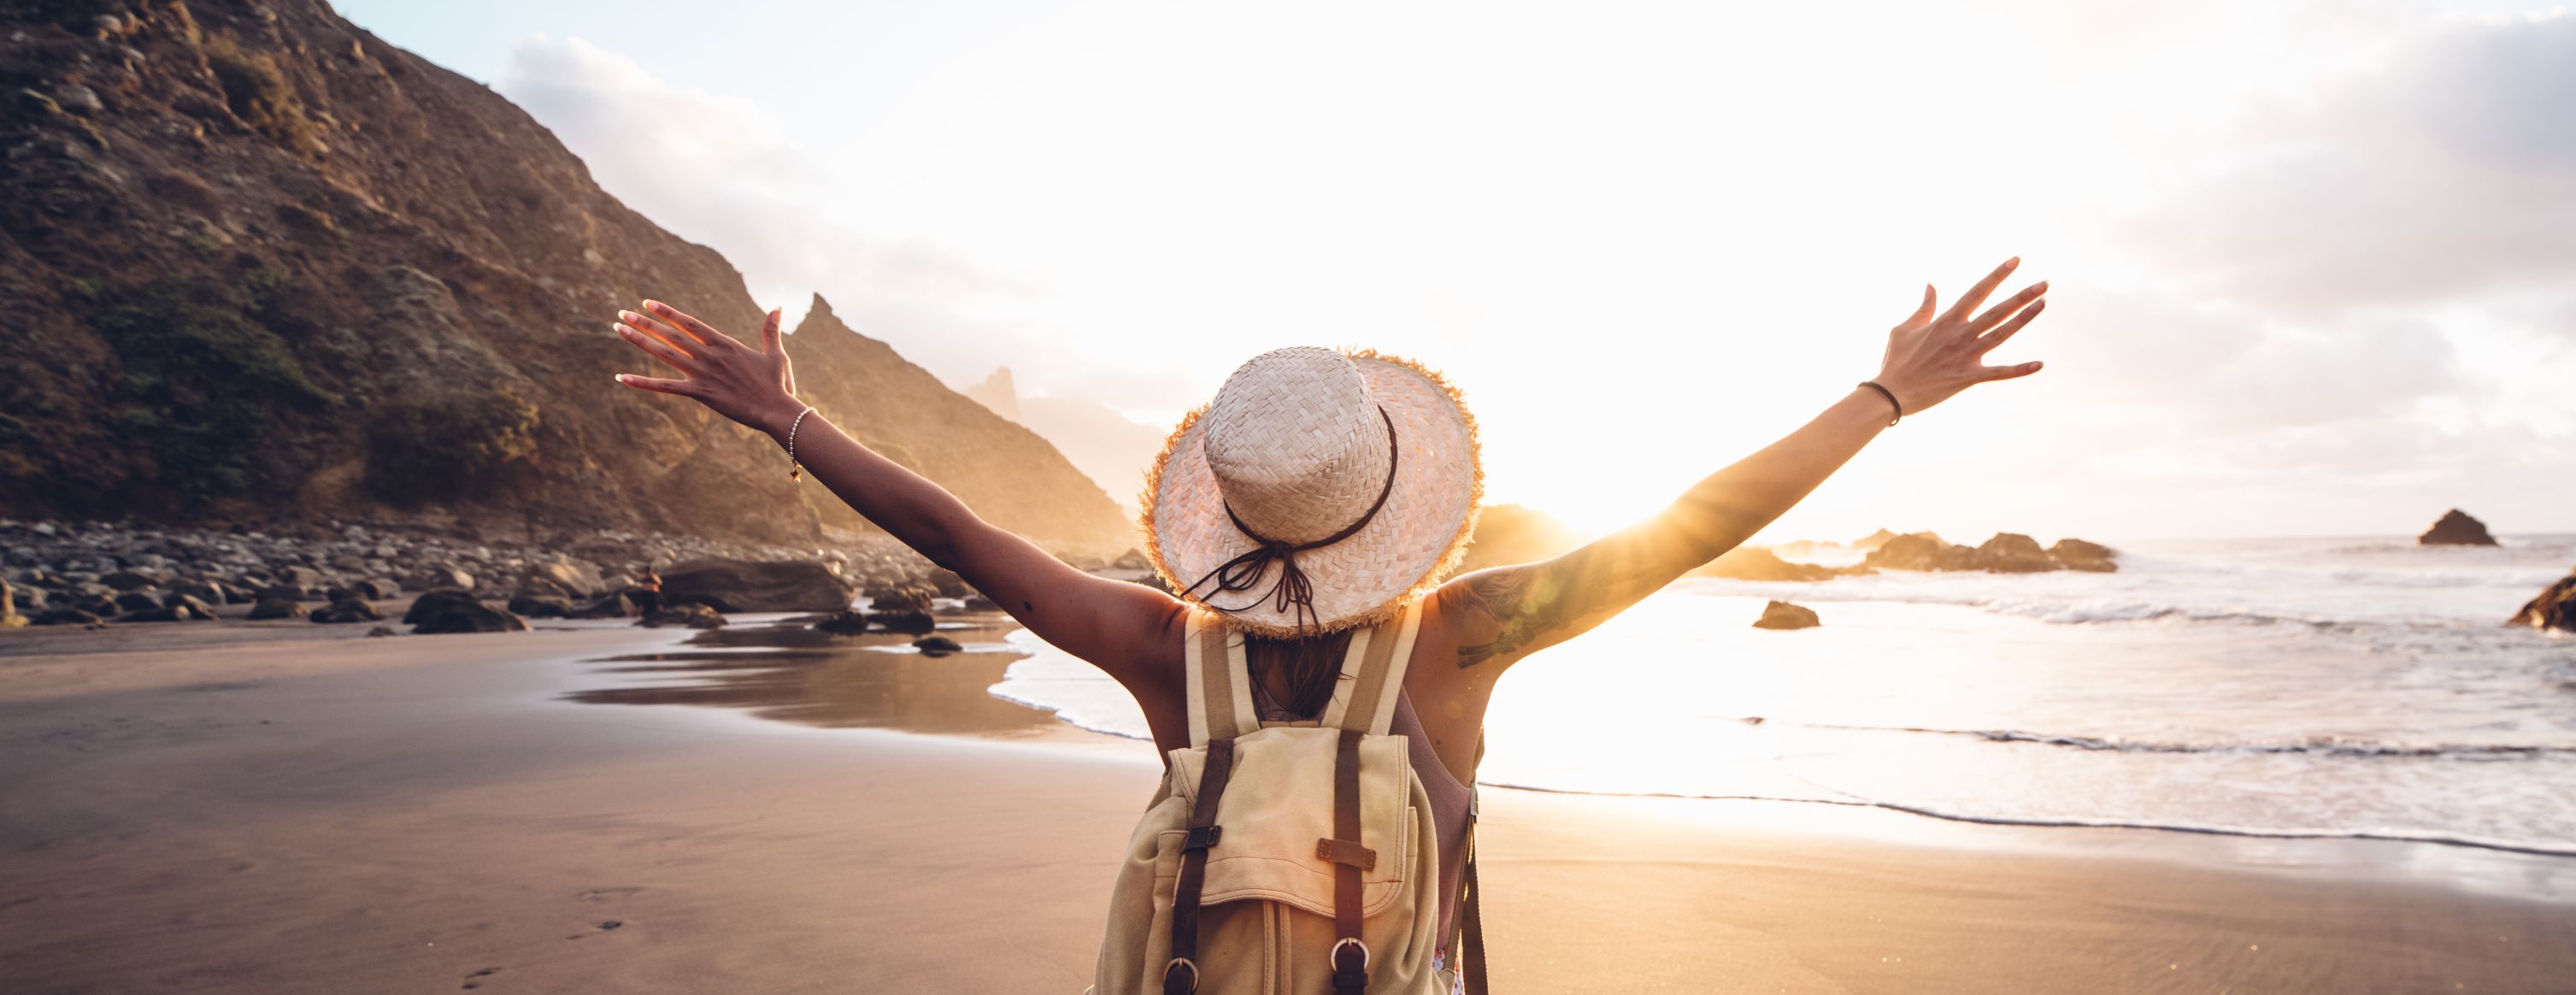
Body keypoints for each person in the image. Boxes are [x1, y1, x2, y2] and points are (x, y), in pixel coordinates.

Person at [608, 258, 2047, 992]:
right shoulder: (1466, 636)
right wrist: (1887, 398)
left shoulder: (1164, 647)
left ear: (1228, 524)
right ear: (1400, 500)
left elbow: (962, 537)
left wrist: (789, 417)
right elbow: (1696, 522)